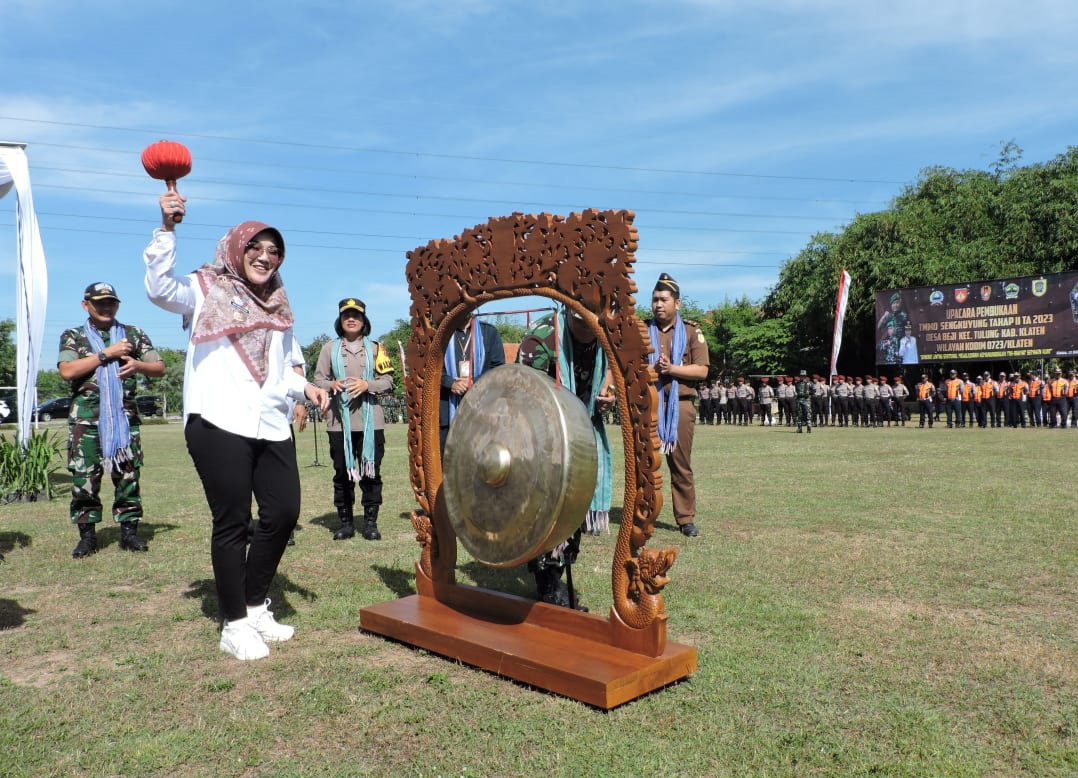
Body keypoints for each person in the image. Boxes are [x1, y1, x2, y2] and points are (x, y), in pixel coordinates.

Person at [144, 192, 330, 661]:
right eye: (256, 247)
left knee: (283, 512)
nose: (265, 257)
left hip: (269, 422)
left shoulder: (280, 306)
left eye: (274, 251)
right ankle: (234, 622)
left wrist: (303, 389)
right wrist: (166, 229)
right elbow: (160, 289)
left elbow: (284, 366)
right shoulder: (205, 287)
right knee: (232, 522)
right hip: (217, 418)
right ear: (235, 248)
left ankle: (254, 603)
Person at [58, 282, 166, 558]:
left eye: (111, 302)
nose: (106, 307)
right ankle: (87, 537)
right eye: (100, 302)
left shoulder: (133, 334)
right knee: (84, 480)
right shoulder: (73, 336)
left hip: (124, 421)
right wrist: (107, 354)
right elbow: (68, 371)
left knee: (128, 476)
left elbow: (159, 367)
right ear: (86, 305)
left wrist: (139, 365)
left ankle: (129, 534)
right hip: (86, 421)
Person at [518, 309, 614, 609]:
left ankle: (555, 576)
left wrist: (609, 397)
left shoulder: (607, 336)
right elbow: (522, 392)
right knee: (546, 510)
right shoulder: (543, 337)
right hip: (545, 438)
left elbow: (617, 375)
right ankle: (549, 585)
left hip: (584, 434)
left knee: (575, 507)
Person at [313, 298, 395, 541]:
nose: (351, 319)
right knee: (342, 473)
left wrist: (367, 384)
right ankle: (346, 523)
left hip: (371, 423)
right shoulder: (330, 349)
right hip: (340, 423)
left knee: (371, 474)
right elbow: (318, 380)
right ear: (340, 320)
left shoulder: (377, 348)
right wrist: (332, 384)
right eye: (346, 315)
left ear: (364, 320)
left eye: (356, 315)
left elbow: (389, 381)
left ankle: (370, 523)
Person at [647, 273, 709, 537]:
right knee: (645, 464)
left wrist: (672, 368)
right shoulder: (641, 330)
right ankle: (644, 515)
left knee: (680, 464)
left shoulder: (692, 332)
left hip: (680, 406)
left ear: (677, 304)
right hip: (647, 405)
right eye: (654, 300)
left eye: (664, 299)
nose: (658, 305)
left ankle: (685, 519)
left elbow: (702, 371)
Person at [440, 315, 505, 453]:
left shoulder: (489, 332)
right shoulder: (441, 334)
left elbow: (498, 368)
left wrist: (475, 383)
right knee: (448, 459)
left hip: (482, 409)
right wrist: (450, 383)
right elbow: (430, 370)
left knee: (480, 458)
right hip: (448, 409)